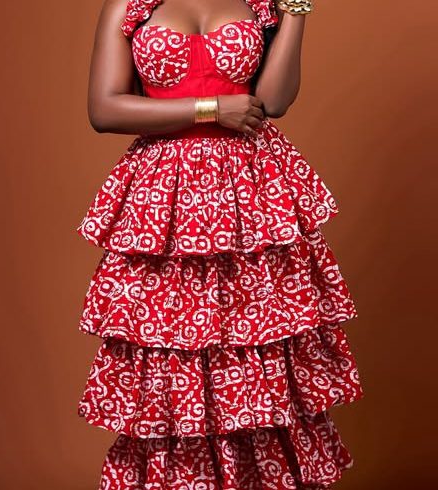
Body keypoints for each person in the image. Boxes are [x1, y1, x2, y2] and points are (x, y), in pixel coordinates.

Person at [75, 0, 363, 487]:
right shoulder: (129, 4)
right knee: (171, 349)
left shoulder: (261, 5)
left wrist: (296, 11)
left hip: (252, 193)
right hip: (165, 200)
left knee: (260, 345)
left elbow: (273, 102)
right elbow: (103, 109)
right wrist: (209, 108)